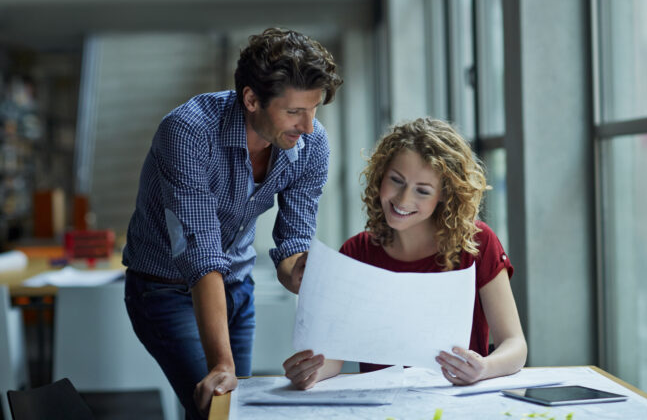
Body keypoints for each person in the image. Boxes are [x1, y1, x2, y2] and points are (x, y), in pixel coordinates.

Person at [122, 27, 343, 419]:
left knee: (231, 411)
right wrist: (221, 366)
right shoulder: (188, 132)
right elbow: (200, 253)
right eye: (294, 112)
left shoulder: (312, 143)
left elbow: (292, 243)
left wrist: (304, 275)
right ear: (252, 99)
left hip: (238, 288)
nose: (307, 127)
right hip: (166, 291)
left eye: (314, 110)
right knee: (215, 407)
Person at [283, 117, 527, 389]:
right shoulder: (356, 252)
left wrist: (484, 368)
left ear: (445, 195)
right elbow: (334, 357)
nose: (403, 199)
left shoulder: (477, 243)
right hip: (382, 406)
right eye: (396, 180)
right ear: (380, 175)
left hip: (458, 403)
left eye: (423, 191)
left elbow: (515, 345)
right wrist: (310, 372)